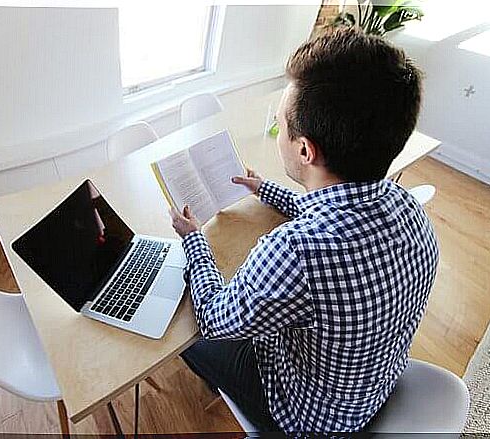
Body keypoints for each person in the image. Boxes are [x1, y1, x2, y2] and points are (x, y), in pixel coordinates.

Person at [169, 27, 439, 433]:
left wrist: (194, 240)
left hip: (307, 415)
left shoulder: (296, 251)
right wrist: (265, 189)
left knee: (192, 341)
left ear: (304, 150)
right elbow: (337, 212)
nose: (279, 131)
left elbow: (212, 317)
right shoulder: (410, 209)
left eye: (280, 125)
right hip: (371, 387)